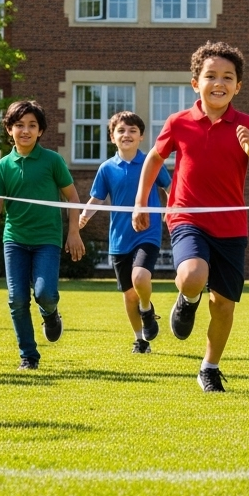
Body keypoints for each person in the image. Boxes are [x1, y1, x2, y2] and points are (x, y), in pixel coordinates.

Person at [132, 42, 249, 392]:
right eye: (211, 76)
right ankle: (188, 298)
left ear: (238, 86)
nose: (219, 83)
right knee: (193, 274)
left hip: (231, 227)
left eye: (228, 77)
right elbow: (153, 159)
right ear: (196, 82)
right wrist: (141, 202)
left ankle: (209, 367)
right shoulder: (179, 122)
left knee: (224, 304)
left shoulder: (248, 125)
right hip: (186, 217)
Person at [0, 100, 84, 371]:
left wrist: (74, 233)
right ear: (9, 130)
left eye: (32, 125)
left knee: (45, 293)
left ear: (40, 131)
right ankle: (28, 355)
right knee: (17, 299)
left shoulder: (52, 161)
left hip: (47, 239)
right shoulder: (1, 167)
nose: (25, 130)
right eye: (19, 125)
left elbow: (72, 198)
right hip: (15, 240)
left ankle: (50, 313)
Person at [79, 111, 170, 354]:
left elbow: (170, 187)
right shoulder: (107, 168)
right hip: (119, 239)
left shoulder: (152, 161)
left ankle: (147, 308)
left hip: (147, 232)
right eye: (121, 130)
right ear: (112, 137)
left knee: (140, 277)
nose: (126, 135)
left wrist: (173, 211)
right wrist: (85, 215)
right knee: (128, 294)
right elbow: (96, 198)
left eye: (132, 131)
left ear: (141, 136)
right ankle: (140, 339)